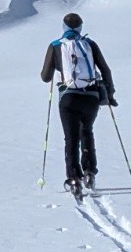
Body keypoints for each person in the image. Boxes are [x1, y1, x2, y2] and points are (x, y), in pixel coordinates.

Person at [40, 12, 116, 197]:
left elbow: (45, 77)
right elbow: (105, 69)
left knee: (71, 138)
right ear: (80, 27)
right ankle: (90, 171)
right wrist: (110, 94)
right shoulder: (89, 44)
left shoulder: (56, 45)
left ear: (64, 27)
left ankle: (74, 178)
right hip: (91, 96)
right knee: (87, 131)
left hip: (68, 97)